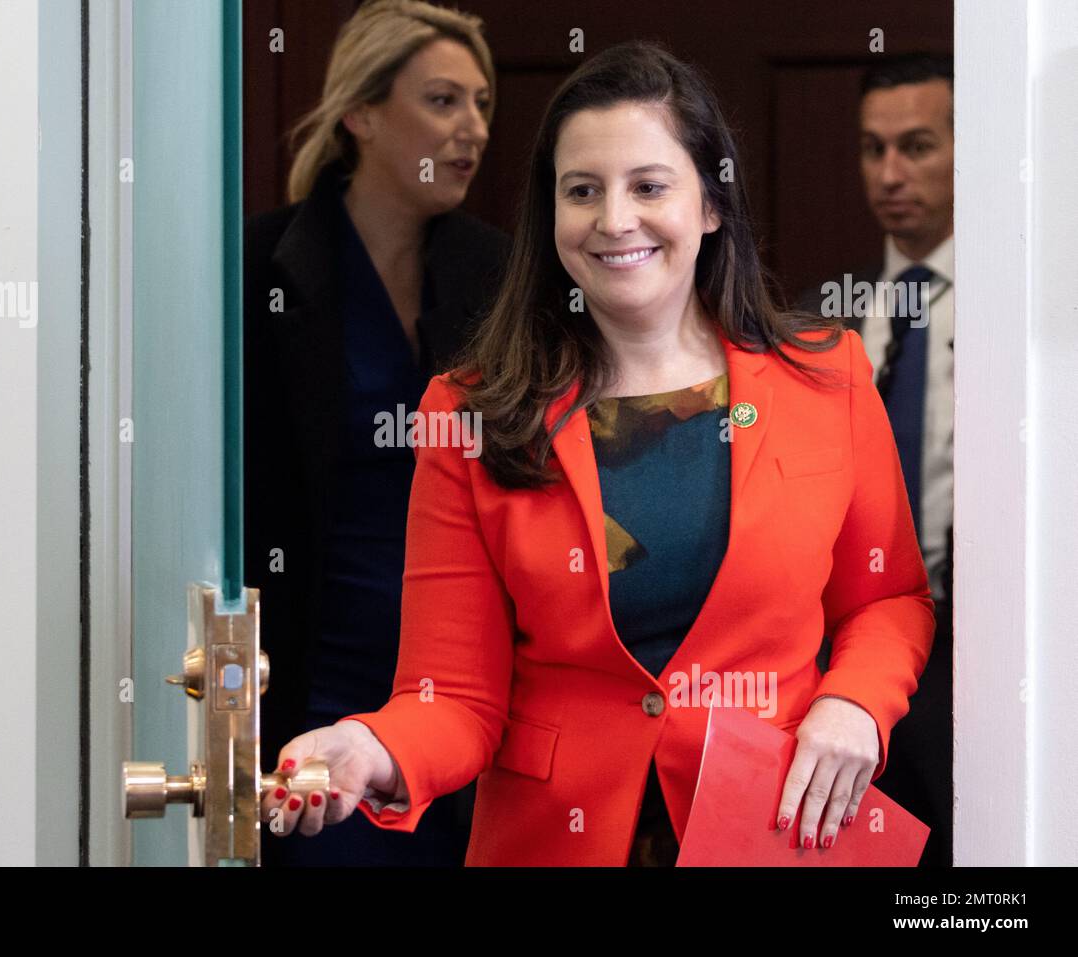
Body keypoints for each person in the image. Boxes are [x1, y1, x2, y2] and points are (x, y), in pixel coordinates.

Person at [260, 39, 935, 866]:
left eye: (649, 185)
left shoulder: (827, 376)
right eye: (582, 190)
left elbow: (889, 599)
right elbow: (456, 696)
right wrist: (370, 746)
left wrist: (855, 704)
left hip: (773, 834)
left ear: (711, 205)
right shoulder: (470, 413)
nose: (615, 219)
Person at [243, 0, 509, 866]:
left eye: (481, 103)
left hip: (467, 689)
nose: (471, 128)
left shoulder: (497, 275)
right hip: (317, 675)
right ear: (360, 112)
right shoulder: (259, 265)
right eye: (442, 101)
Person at [797, 53, 953, 866]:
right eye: (872, 149)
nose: (890, 173)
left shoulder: (1022, 318)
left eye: (917, 146)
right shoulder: (828, 325)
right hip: (847, 672)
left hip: (985, 658)